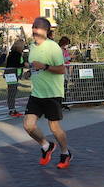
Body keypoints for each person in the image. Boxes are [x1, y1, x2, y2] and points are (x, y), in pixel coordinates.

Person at [23, 16, 71, 168]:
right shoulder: (32, 46)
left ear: (45, 30)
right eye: (33, 26)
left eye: (37, 27)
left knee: (54, 128)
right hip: (37, 93)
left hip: (52, 94)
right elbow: (34, 66)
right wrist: (29, 72)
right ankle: (46, 146)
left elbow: (62, 69)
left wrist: (44, 66)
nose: (34, 30)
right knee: (28, 126)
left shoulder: (53, 47)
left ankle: (65, 153)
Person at [4, 37, 27, 117]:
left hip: (13, 74)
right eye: (23, 46)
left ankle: (12, 109)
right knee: (12, 92)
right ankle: (12, 110)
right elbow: (15, 64)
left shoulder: (16, 53)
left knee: (13, 92)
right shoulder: (15, 53)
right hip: (11, 74)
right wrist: (24, 65)